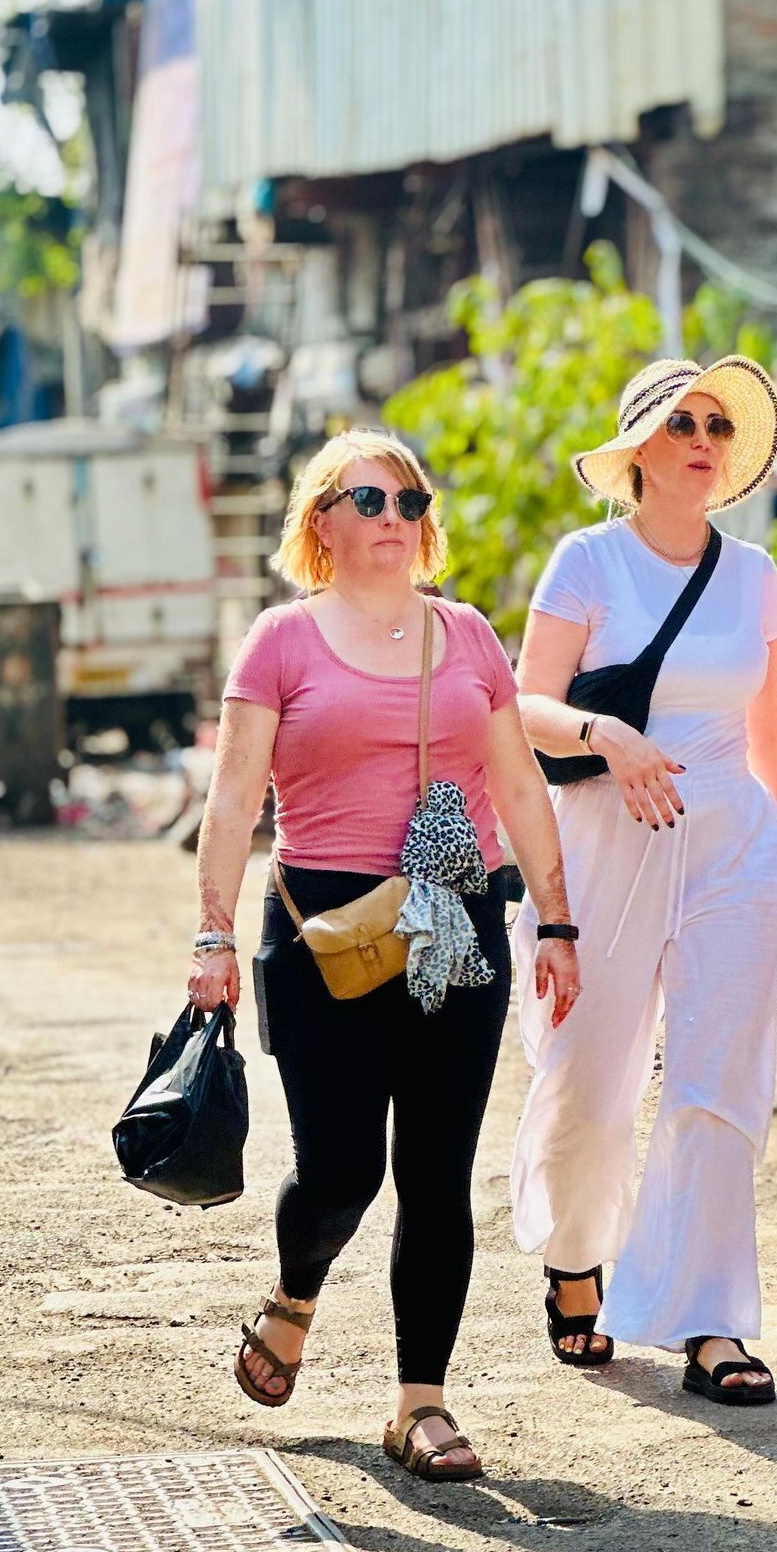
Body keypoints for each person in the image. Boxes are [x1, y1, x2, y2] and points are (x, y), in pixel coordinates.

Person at [190, 429, 581, 1482]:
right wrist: (212, 932)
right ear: (321, 521)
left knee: (438, 1174)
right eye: (368, 501)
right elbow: (232, 800)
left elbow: (518, 788)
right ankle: (296, 1290)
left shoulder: (469, 637)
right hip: (325, 932)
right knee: (340, 1171)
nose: (393, 521)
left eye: (410, 502)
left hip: (456, 920)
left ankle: (422, 1401)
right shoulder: (279, 641)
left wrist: (555, 918)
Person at [512, 356, 777, 1406]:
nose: (706, 438)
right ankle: (576, 1254)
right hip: (608, 835)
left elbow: (767, 726)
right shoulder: (587, 562)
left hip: (731, 842)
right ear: (638, 448)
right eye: (684, 421)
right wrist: (608, 734)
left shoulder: (755, 573)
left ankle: (706, 1315)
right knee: (592, 1079)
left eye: (720, 425)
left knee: (718, 1083)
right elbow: (521, 706)